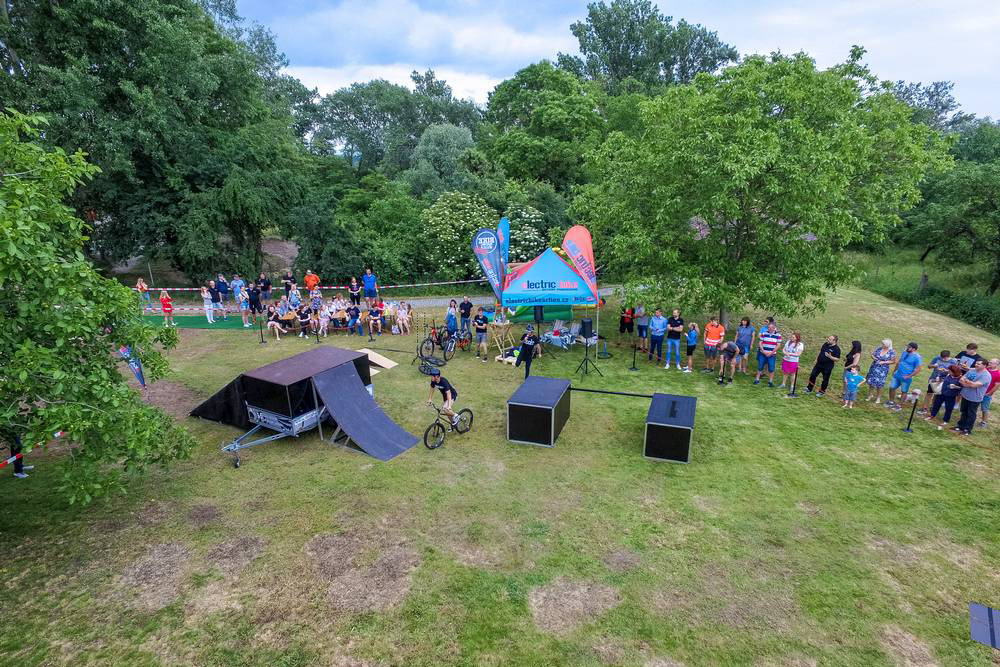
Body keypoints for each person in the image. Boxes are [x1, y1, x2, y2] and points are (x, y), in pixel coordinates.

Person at [955, 359, 990, 436]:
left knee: (971, 414)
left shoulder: (986, 375)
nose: (976, 365)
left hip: (975, 398)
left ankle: (967, 430)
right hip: (965, 394)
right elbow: (961, 379)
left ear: (984, 365)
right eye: (976, 363)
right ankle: (960, 426)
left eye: (979, 364)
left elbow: (975, 385)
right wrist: (968, 383)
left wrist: (967, 382)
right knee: (964, 411)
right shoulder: (972, 370)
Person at [918, 350, 956, 415]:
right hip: (934, 378)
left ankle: (933, 407)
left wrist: (946, 370)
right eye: (942, 358)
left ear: (948, 356)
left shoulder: (952, 362)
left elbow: (954, 373)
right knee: (929, 393)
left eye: (944, 358)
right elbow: (929, 366)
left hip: (944, 380)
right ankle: (925, 408)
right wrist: (934, 366)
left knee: (937, 395)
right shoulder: (937, 358)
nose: (943, 359)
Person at [887, 342, 923, 409]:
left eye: (909, 347)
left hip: (906, 377)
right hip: (897, 374)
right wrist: (895, 370)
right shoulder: (904, 352)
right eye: (907, 346)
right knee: (892, 387)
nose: (907, 348)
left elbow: (918, 369)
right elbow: (899, 362)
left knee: (904, 391)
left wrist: (909, 376)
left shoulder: (917, 357)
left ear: (914, 349)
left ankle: (899, 405)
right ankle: (891, 401)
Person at [753, 322, 782, 387]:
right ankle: (757, 379)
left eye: (771, 327)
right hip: (763, 353)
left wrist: (771, 353)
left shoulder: (778, 335)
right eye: (768, 327)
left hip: (772, 355)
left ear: (774, 328)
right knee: (760, 366)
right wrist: (763, 351)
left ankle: (770, 382)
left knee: (771, 368)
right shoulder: (764, 333)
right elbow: (760, 343)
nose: (769, 328)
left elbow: (778, 345)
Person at [979, 358, 999, 428]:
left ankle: (984, 422)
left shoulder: (998, 374)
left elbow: (997, 385)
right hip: (979, 391)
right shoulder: (986, 369)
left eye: (991, 363)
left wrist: (990, 393)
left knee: (984, 408)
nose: (989, 363)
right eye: (989, 362)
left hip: (986, 394)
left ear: (996, 365)